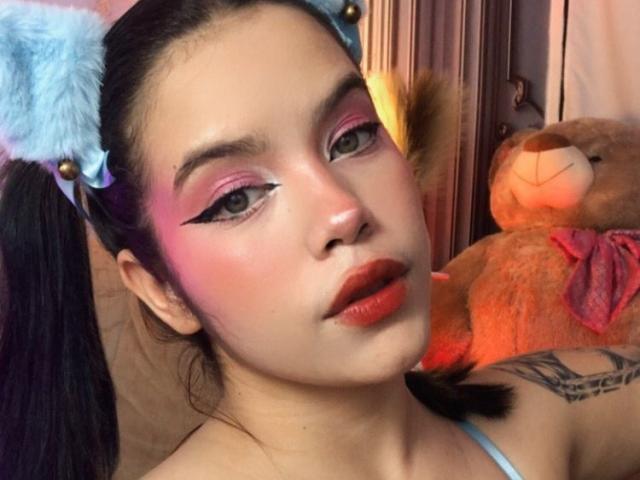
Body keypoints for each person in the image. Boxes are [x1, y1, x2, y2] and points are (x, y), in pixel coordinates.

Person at [0, 1, 639, 479]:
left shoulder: (544, 415)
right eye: (236, 198)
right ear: (160, 289)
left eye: (352, 137)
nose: (343, 211)